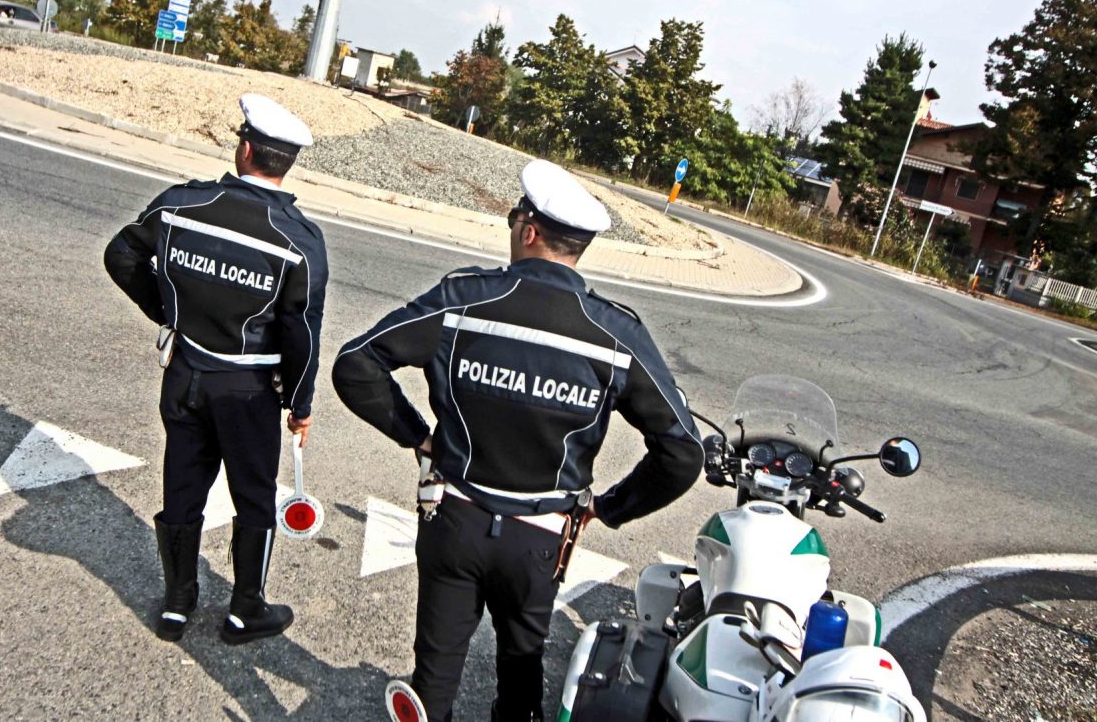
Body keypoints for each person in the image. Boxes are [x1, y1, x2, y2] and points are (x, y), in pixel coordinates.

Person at [332, 160, 703, 722]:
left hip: (454, 517)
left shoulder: (464, 299)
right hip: (540, 539)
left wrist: (418, 437)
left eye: (513, 219)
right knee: (522, 673)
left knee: (434, 675)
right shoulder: (615, 333)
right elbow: (682, 452)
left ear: (528, 231)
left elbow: (356, 365)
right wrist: (608, 509)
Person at [104, 94, 328, 645]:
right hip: (248, 390)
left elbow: (121, 255)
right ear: (286, 163)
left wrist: (169, 313)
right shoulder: (298, 240)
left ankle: (177, 604)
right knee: (253, 498)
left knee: (182, 486)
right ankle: (245, 609)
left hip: (185, 375)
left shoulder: (181, 205)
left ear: (244, 149)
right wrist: (300, 405)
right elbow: (301, 333)